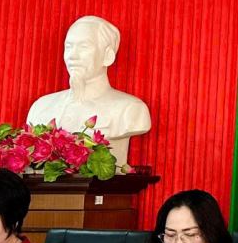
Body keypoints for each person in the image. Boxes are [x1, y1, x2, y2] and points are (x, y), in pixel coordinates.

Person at [27, 15, 151, 163]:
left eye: (84, 47)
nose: (72, 56)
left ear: (108, 56)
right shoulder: (41, 107)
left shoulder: (130, 109)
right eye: (68, 47)